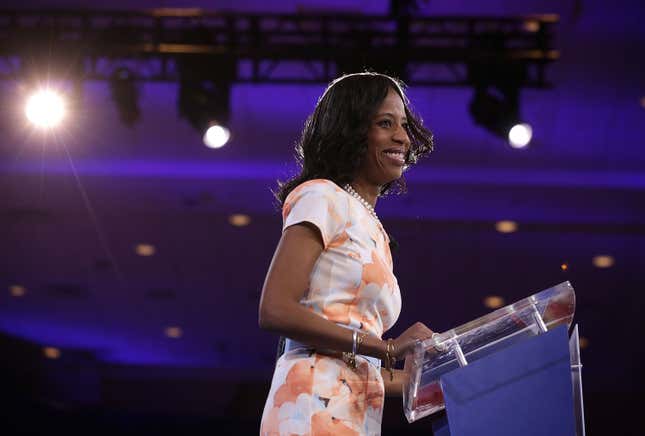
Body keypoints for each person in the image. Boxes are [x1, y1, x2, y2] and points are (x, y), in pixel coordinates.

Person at [258, 72, 434, 435]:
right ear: (350, 131)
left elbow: (361, 365)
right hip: (308, 406)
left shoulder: (375, 232)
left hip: (353, 413)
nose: (402, 137)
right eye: (385, 124)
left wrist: (443, 380)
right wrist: (385, 347)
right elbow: (275, 309)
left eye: (403, 125)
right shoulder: (321, 196)